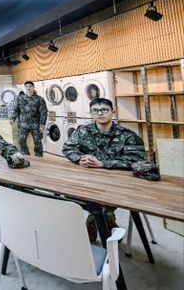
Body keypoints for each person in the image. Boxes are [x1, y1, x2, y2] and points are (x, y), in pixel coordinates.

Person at [63, 97, 147, 240]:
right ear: (91, 114)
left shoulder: (127, 135)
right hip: (87, 181)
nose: (100, 113)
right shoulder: (83, 131)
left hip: (116, 184)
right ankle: (101, 218)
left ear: (113, 113)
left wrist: (103, 163)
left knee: (101, 207)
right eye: (95, 111)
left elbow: (136, 158)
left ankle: (97, 219)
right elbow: (68, 148)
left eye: (104, 110)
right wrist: (80, 158)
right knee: (67, 192)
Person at [10, 81, 47, 157]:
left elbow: (43, 112)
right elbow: (16, 109)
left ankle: (39, 157)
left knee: (37, 142)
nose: (28, 88)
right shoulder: (20, 98)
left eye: (30, 86)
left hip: (35, 125)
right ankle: (26, 155)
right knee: (21, 140)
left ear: (33, 88)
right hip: (23, 124)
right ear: (25, 88)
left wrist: (42, 124)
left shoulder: (39, 99)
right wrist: (12, 118)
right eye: (27, 86)